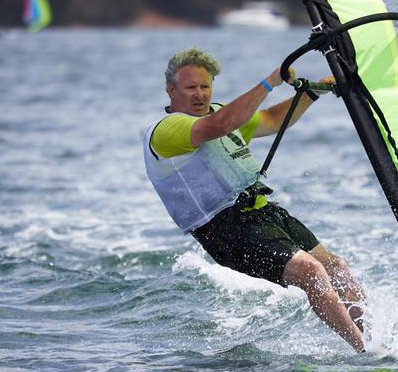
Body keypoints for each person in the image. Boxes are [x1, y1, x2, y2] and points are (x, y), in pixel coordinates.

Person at [143, 48, 366, 352]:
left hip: (262, 212)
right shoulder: (168, 129)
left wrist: (311, 93)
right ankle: (365, 352)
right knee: (311, 272)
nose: (199, 94)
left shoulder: (221, 112)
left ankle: (378, 337)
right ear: (171, 91)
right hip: (225, 229)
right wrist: (271, 81)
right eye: (190, 87)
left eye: (205, 86)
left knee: (335, 266)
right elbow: (219, 126)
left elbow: (274, 120)